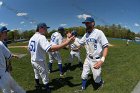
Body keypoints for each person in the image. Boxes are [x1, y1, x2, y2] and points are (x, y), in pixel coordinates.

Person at [28, 23, 74, 92]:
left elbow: (29, 49)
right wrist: (67, 43)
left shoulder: (32, 37)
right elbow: (52, 49)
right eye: (45, 28)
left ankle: (38, 86)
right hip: (40, 61)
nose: (46, 30)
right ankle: (47, 90)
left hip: (33, 60)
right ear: (41, 28)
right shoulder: (41, 37)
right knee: (45, 78)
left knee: (36, 74)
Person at [74, 17, 109, 90]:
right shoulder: (86, 34)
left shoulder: (99, 32)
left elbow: (106, 46)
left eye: (88, 23)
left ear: (93, 23)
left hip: (96, 59)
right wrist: (71, 39)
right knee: (84, 74)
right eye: (85, 23)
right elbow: (79, 44)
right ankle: (83, 88)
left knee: (96, 79)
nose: (86, 25)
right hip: (88, 58)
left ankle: (101, 82)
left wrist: (102, 60)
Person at [0, 26, 26, 93]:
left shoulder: (3, 43)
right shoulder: (1, 44)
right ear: (1, 33)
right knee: (16, 88)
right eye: (5, 33)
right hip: (3, 74)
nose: (6, 34)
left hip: (4, 73)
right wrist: (14, 56)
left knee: (16, 87)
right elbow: (9, 56)